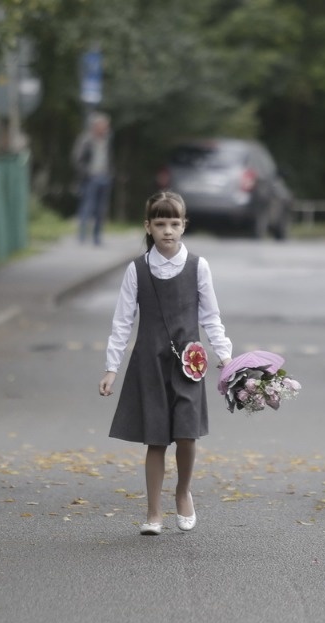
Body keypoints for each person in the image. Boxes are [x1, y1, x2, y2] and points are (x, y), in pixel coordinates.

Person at [98, 191, 232, 535]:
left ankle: (183, 492)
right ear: (148, 226)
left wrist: (225, 355)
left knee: (187, 436)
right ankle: (153, 512)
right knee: (155, 439)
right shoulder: (137, 269)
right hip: (150, 364)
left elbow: (211, 316)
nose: (168, 230)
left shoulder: (197, 266)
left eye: (174, 223)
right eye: (160, 223)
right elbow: (122, 321)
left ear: (184, 225)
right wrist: (112, 368)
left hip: (190, 364)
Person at [71, 112, 113, 245]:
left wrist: (111, 173)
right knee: (87, 206)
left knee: (101, 209)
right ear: (95, 126)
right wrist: (87, 172)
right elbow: (77, 158)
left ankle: (97, 237)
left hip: (104, 176)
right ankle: (82, 236)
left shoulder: (107, 139)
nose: (105, 128)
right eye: (103, 125)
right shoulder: (86, 139)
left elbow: (109, 158)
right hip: (90, 178)